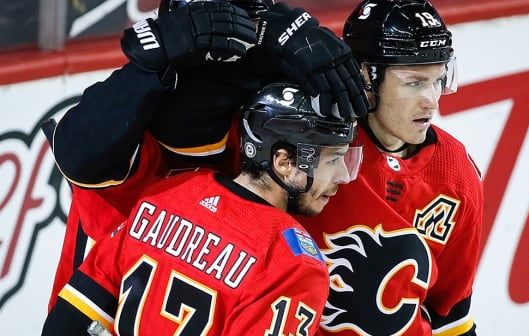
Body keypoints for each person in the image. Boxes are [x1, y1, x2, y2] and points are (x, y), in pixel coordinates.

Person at [45, 0, 367, 311]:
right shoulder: (129, 136)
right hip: (97, 325)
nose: (237, 58)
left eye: (249, 38)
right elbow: (77, 150)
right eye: (220, 41)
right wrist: (146, 63)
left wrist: (289, 33)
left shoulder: (259, 123)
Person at [37, 82, 363, 336]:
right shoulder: (292, 263)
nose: (343, 178)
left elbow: (65, 330)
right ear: (283, 161)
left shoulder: (167, 194)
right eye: (332, 160)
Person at [295, 1, 484, 336]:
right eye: (413, 82)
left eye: (438, 80)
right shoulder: (308, 148)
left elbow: (450, 311)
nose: (431, 101)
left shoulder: (457, 173)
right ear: (365, 76)